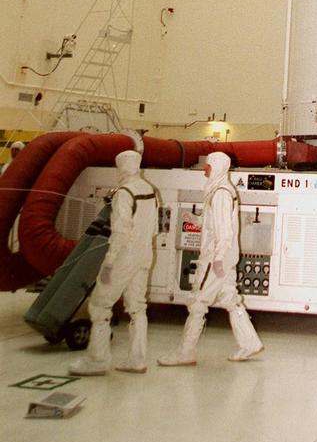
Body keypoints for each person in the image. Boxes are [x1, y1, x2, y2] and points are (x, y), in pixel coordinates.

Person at [158, 152, 263, 366]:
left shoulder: (221, 193)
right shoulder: (219, 190)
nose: (204, 170)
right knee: (230, 299)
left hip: (217, 258)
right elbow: (214, 224)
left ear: (217, 168)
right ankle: (250, 343)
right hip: (224, 256)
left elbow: (224, 232)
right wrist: (195, 220)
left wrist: (217, 259)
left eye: (207, 166)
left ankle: (186, 352)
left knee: (198, 302)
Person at [69, 149, 158, 376]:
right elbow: (155, 228)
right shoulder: (150, 190)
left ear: (122, 167)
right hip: (145, 255)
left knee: (100, 305)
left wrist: (109, 262)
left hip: (123, 258)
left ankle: (97, 361)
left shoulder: (124, 193)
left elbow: (120, 231)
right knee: (137, 307)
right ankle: (137, 360)